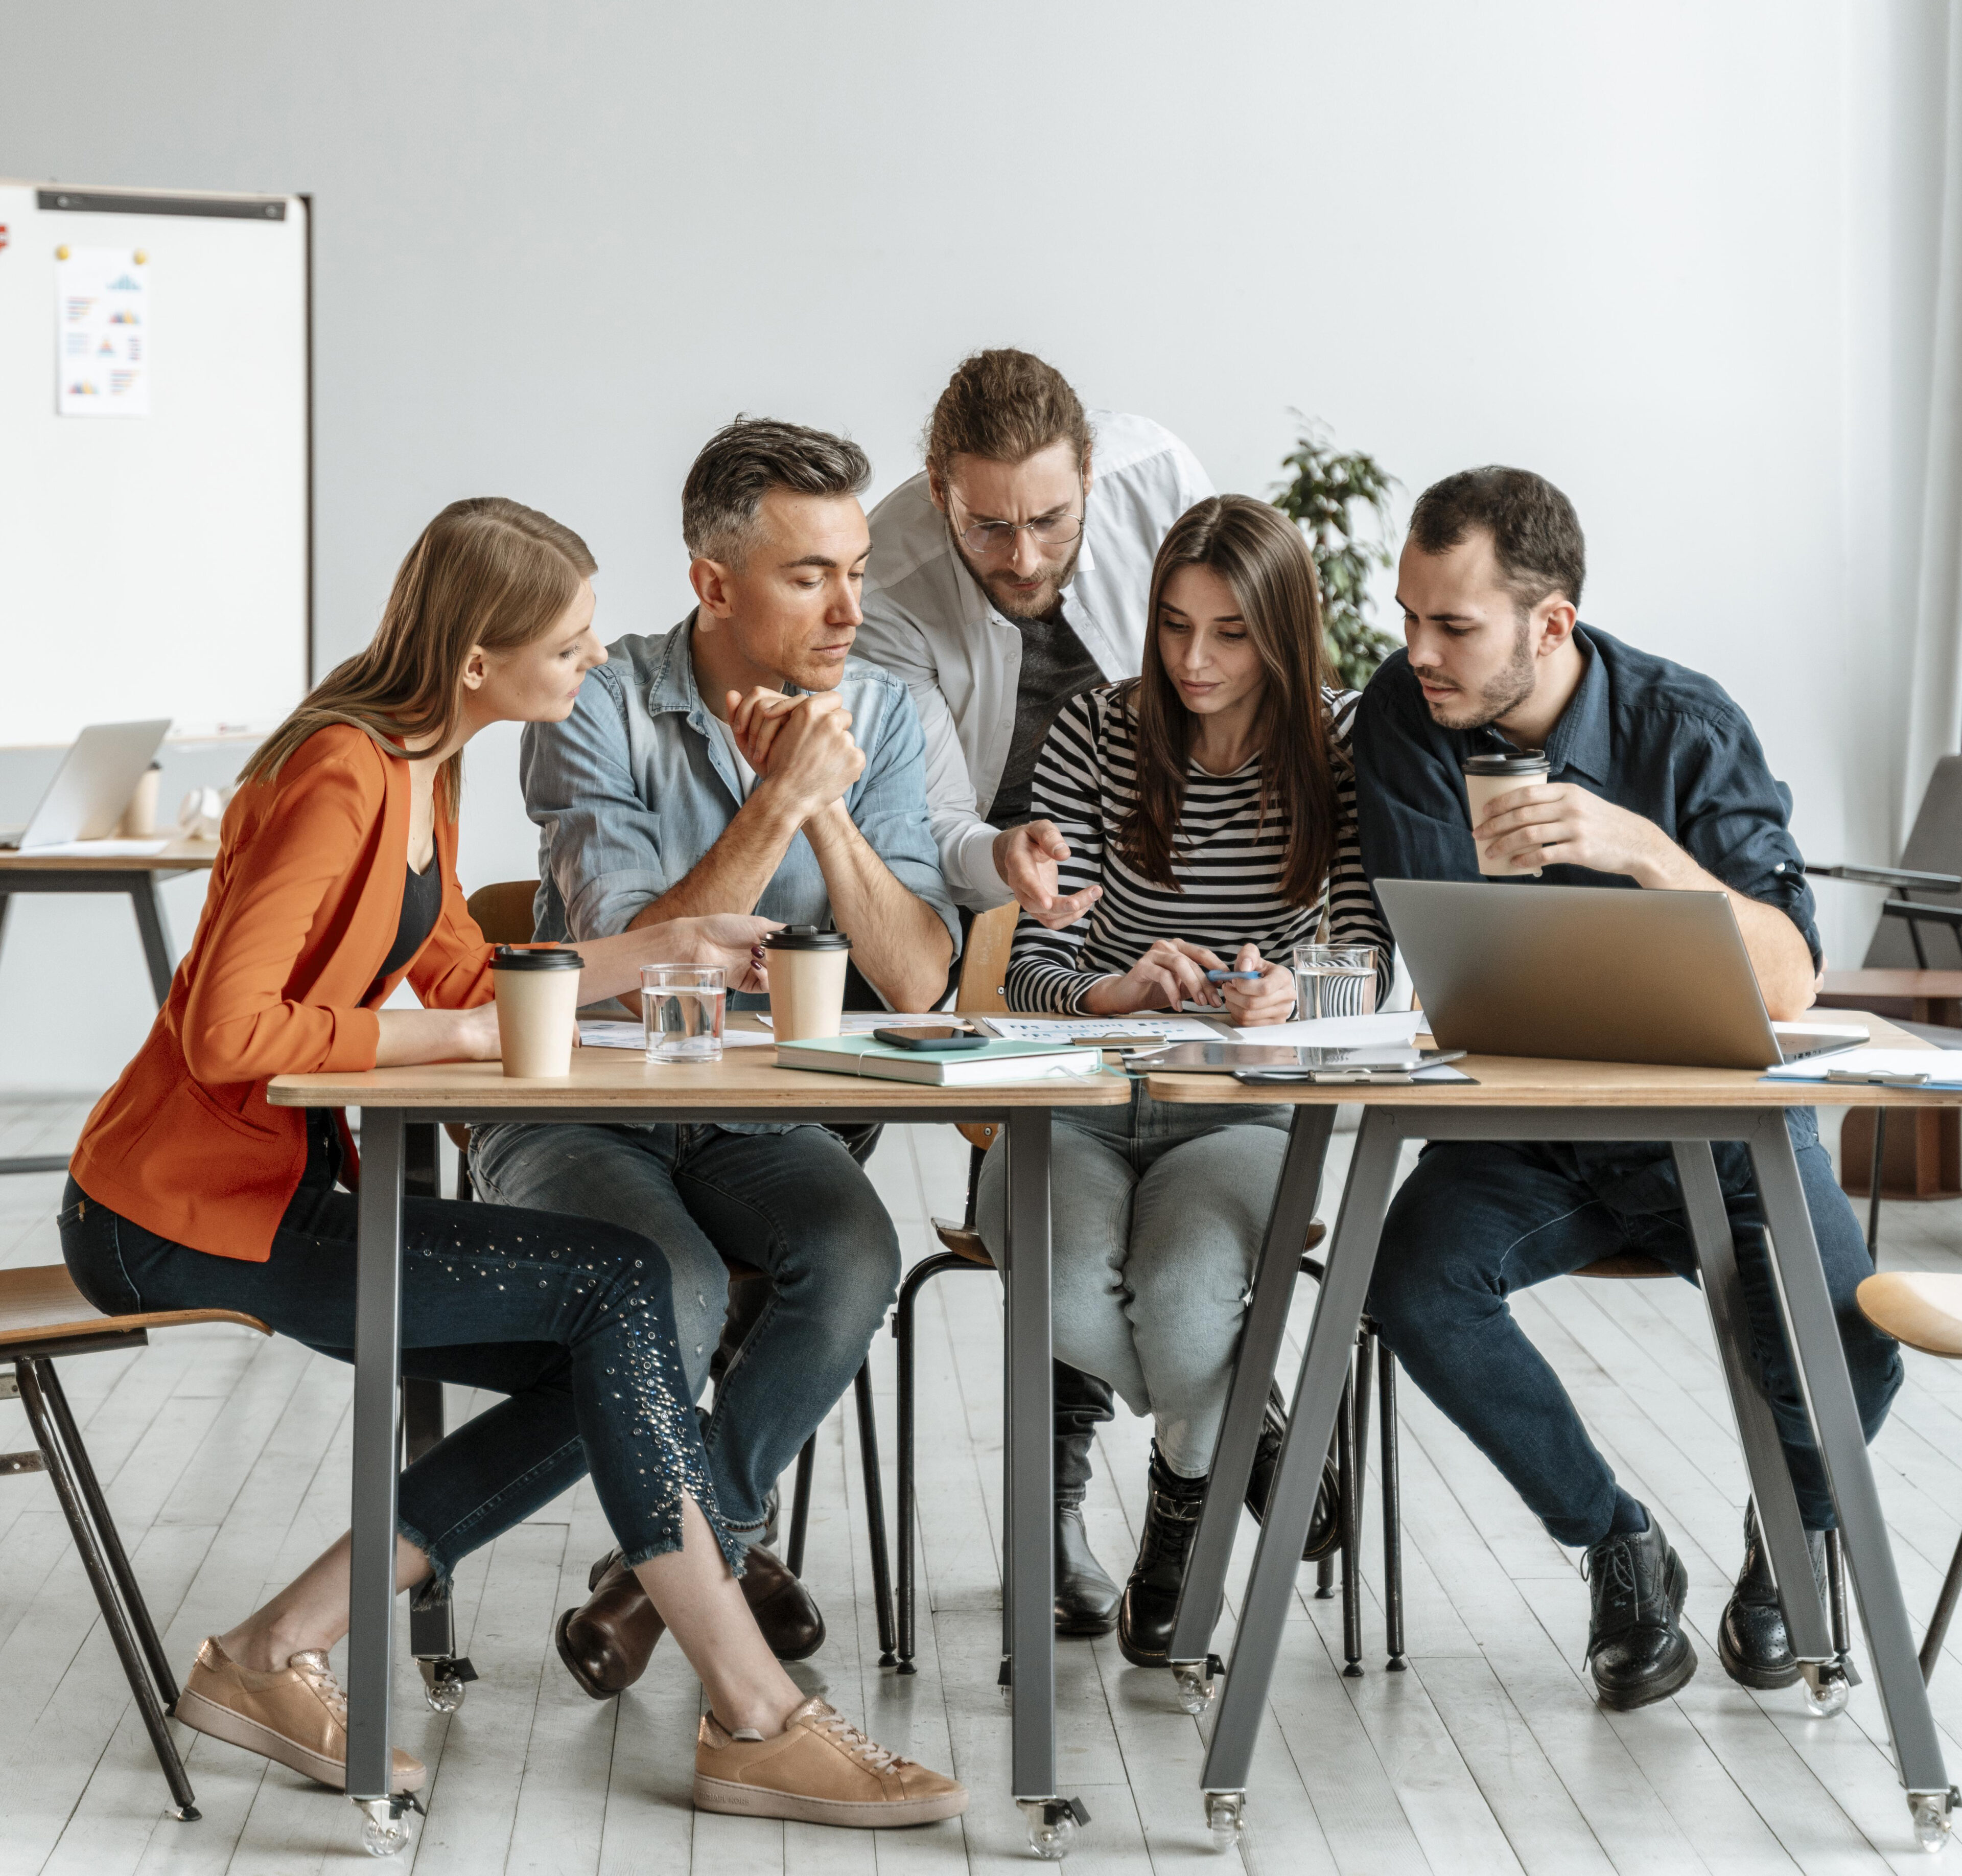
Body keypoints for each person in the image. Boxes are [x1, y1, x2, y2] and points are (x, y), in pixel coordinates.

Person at [55, 497, 965, 1828]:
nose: (597, 662)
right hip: (173, 1211)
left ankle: (275, 1649)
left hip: (270, 1194)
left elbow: (466, 968)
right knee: (620, 1294)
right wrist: (473, 1033)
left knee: (618, 1328)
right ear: (478, 658)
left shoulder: (418, 767)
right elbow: (230, 1031)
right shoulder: (339, 774)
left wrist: (650, 953)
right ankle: (757, 1711)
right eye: (573, 644)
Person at [1352, 465, 1902, 1710]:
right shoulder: (1404, 715)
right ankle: (1616, 1544)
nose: (1418, 652)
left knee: (1855, 1347)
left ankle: (1786, 1541)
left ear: (1551, 625)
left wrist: (1643, 851)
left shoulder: (1684, 727)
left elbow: (1792, 981)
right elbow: (1445, 962)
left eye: (1453, 625)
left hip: (1714, 1128)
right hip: (1533, 1131)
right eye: (1408, 616)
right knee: (1413, 1284)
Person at [470, 421, 957, 1699]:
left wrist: (830, 800)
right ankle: (726, 1563)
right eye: (812, 575)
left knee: (854, 1254)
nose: (854, 605)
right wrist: (773, 803)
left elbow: (915, 978)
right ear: (714, 583)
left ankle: (685, 1558)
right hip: (582, 1104)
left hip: (753, 1113)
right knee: (668, 1277)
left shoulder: (886, 716)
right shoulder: (597, 699)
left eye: (857, 567)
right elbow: (615, 954)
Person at [972, 494, 1387, 1666]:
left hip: (1243, 1109)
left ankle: (1177, 1531)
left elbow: (1369, 965)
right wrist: (1114, 990)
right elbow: (1033, 968)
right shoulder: (1097, 732)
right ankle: (1252, 1431)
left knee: (1194, 1299)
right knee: (1053, 1287)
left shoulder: (1341, 744)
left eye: (1230, 634)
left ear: (1283, 632)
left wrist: (1291, 997)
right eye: (1172, 626)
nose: (1194, 661)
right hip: (1083, 1100)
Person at [857, 346, 1214, 1635]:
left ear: (1091, 482)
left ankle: (1216, 1454)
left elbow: (1233, 663)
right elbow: (928, 814)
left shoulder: (1159, 474)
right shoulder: (890, 571)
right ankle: (1069, 1511)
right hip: (1006, 906)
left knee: (1146, 1199)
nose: (1020, 557)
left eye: (1049, 521)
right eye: (988, 527)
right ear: (940, 492)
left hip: (1178, 874)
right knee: (1049, 1181)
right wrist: (1001, 866)